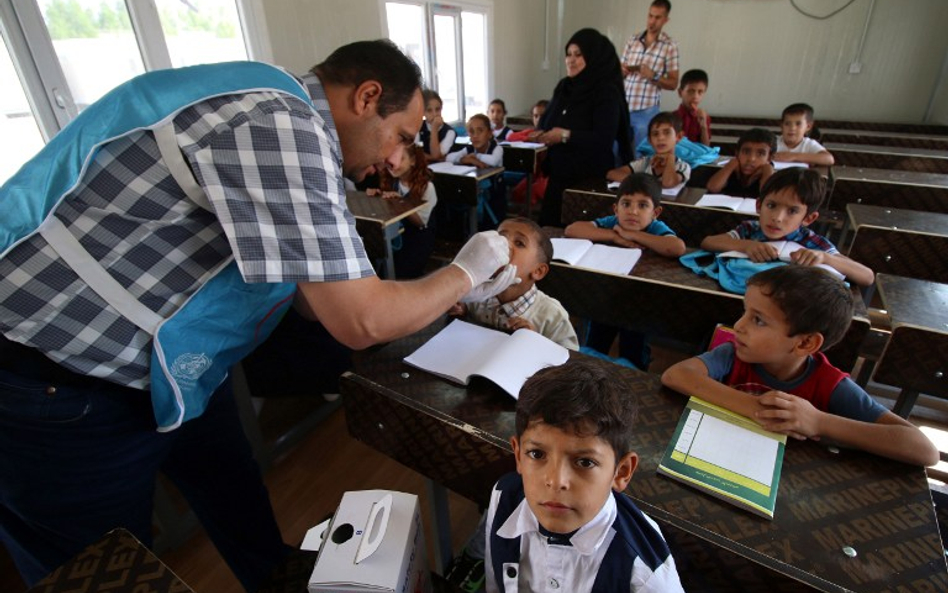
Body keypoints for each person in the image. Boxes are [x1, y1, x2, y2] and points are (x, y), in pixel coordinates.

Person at [0, 40, 519, 591]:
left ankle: (273, 578)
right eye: (402, 137)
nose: (397, 160)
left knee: (233, 489)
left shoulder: (280, 118)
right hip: (59, 372)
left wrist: (399, 297)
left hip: (175, 363)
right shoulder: (280, 122)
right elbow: (357, 320)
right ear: (367, 98)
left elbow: (309, 294)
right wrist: (465, 271)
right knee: (98, 566)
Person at [661, 266, 938, 467]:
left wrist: (817, 421)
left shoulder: (829, 384)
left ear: (805, 344)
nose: (740, 326)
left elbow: (924, 450)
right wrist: (757, 409)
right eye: (745, 312)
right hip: (719, 458)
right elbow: (677, 375)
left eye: (758, 320)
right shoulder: (734, 354)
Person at [484, 360, 684, 592]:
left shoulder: (645, 573)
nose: (556, 481)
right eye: (537, 454)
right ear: (518, 456)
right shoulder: (503, 497)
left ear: (621, 472)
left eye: (585, 462)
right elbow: (495, 582)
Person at [566, 174, 685, 370]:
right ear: (616, 208)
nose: (633, 211)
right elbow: (573, 230)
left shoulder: (655, 228)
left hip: (638, 303)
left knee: (634, 355)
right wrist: (614, 237)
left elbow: (676, 247)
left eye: (642, 205)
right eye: (626, 204)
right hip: (602, 299)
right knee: (592, 348)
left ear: (656, 212)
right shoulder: (612, 222)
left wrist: (634, 235)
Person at [701, 167, 874, 286]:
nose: (777, 218)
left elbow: (867, 276)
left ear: (808, 218)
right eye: (771, 206)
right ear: (759, 206)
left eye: (792, 211)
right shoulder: (749, 229)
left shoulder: (811, 242)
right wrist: (747, 245)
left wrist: (825, 258)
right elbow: (708, 242)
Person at [531, 28, 632, 227]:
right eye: (568, 54)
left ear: (593, 57)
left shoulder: (606, 91)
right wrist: (541, 133)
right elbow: (548, 121)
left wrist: (565, 136)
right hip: (560, 174)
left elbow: (603, 139)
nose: (571, 60)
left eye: (578, 55)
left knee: (582, 235)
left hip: (589, 178)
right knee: (550, 232)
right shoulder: (565, 87)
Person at [449, 217, 579, 350]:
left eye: (519, 243)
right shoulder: (475, 295)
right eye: (501, 238)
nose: (505, 245)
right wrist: (462, 309)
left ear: (538, 271)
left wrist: (535, 342)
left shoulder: (552, 315)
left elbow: (570, 358)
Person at [366, 144, 438, 278]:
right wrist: (377, 196)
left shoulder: (427, 187)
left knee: (400, 274)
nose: (394, 164)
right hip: (397, 237)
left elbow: (421, 223)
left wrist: (400, 202)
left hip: (417, 240)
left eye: (401, 159)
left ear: (413, 161)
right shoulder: (391, 181)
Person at [621, 0, 680, 158]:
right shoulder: (633, 41)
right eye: (650, 16)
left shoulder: (670, 46)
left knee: (640, 156)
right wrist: (621, 70)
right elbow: (618, 71)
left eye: (658, 18)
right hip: (623, 108)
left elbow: (674, 83)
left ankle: (639, 183)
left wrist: (653, 75)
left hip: (646, 112)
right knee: (615, 153)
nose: (652, 21)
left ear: (665, 20)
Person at [606, 111, 691, 189]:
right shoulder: (645, 162)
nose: (660, 138)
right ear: (650, 140)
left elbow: (668, 183)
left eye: (667, 132)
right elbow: (611, 174)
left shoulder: (683, 166)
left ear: (679, 137)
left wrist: (670, 158)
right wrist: (643, 182)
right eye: (655, 134)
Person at [706, 127, 776, 198]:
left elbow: (768, 195)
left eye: (760, 154)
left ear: (769, 158)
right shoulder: (733, 167)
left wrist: (768, 170)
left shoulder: (768, 173)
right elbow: (713, 188)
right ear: (737, 154)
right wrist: (731, 165)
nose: (751, 159)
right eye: (746, 152)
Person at [418, 88, 457, 163]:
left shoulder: (450, 132)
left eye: (437, 109)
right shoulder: (418, 126)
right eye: (429, 110)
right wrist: (432, 158)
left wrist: (434, 129)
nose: (435, 114)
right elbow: (412, 154)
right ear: (422, 112)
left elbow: (436, 155)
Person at [674, 69, 710, 145]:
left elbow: (706, 147)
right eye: (690, 91)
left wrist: (703, 127)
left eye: (700, 92)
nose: (695, 96)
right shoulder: (672, 117)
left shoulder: (704, 117)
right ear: (680, 93)